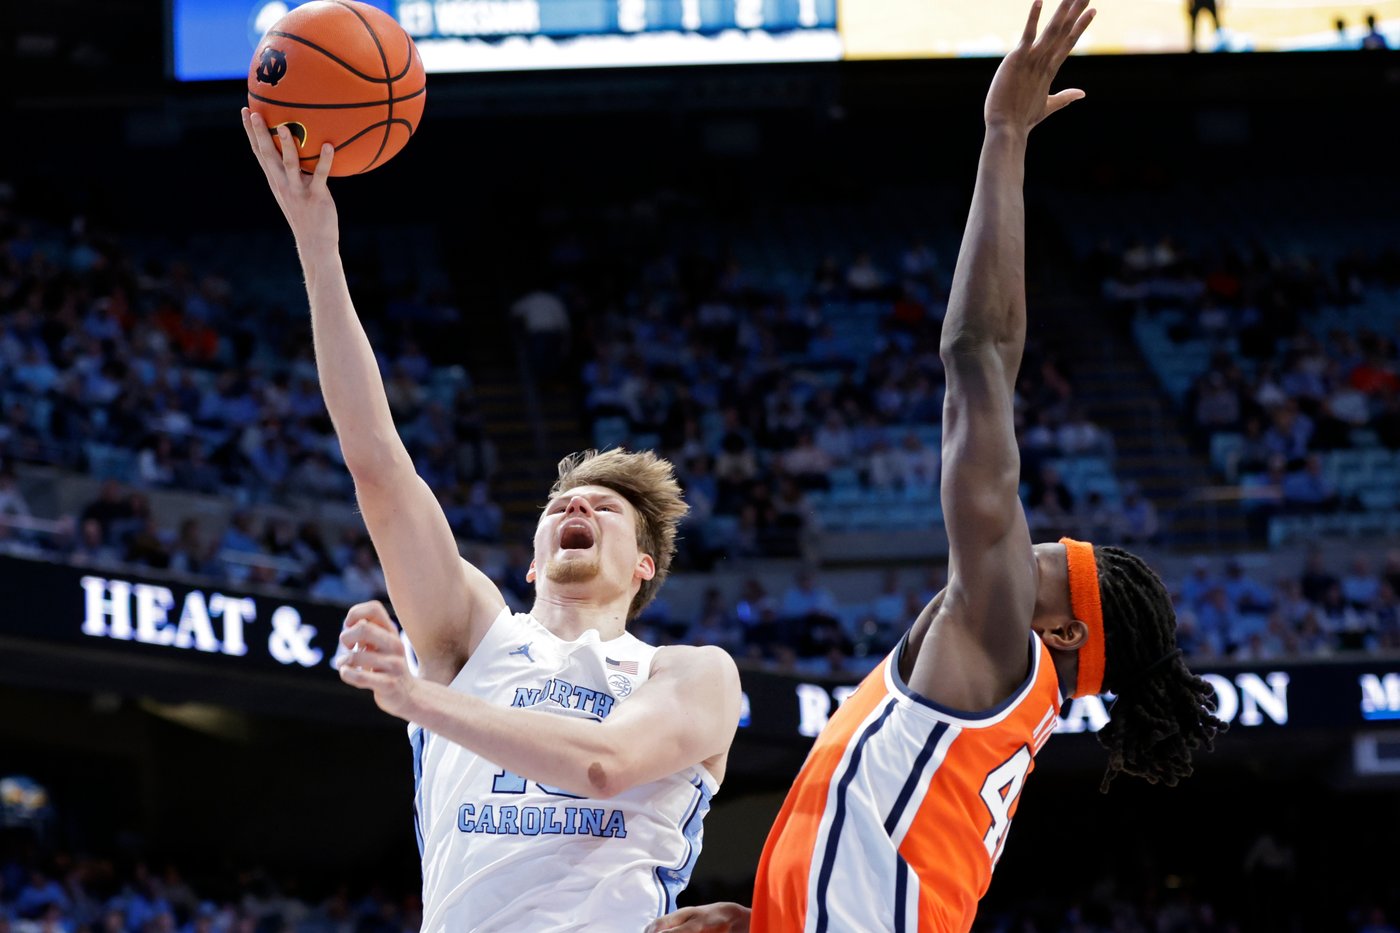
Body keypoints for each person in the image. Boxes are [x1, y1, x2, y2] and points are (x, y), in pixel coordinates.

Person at [649, 3, 1224, 931]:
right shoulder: (989, 693)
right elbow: (884, 845)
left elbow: (978, 354)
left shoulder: (1002, 641)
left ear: (1063, 630)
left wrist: (1004, 137)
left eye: (1048, 559)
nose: (1026, 545)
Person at [240, 109, 742, 932]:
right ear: (533, 561)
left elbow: (604, 764)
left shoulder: (688, 673)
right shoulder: (472, 637)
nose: (576, 506)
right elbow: (379, 467)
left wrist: (413, 697)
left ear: (644, 564)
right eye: (560, 505)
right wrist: (317, 245)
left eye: (605, 507)